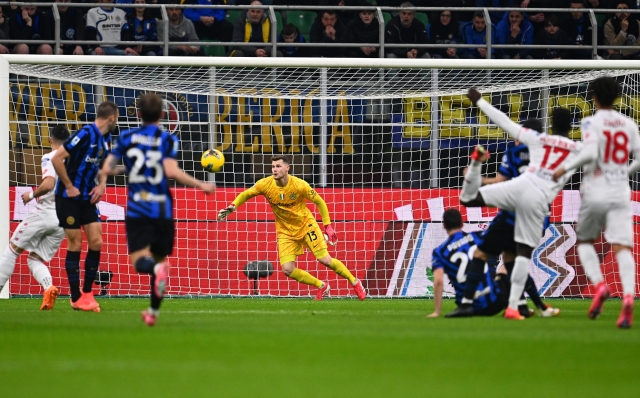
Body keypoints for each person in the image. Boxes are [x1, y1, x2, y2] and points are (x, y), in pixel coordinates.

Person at [453, 88, 580, 320]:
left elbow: (505, 123)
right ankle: (521, 306)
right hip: (539, 207)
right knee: (519, 256)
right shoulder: (579, 149)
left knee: (469, 201)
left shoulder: (535, 142)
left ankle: (518, 306)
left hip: (518, 194)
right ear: (572, 127)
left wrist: (480, 101)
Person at [100, 94, 215, 326]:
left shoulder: (127, 136)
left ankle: (155, 273)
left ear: (139, 114)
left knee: (141, 261)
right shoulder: (168, 139)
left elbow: (107, 168)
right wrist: (201, 184)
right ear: (162, 115)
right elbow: (171, 171)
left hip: (139, 209)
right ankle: (153, 311)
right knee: (161, 262)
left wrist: (126, 169)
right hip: (163, 208)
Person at [552, 77, 639, 329]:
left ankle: (600, 285)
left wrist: (564, 168)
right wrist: (624, 173)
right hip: (621, 191)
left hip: (595, 190)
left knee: (585, 242)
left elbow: (590, 152)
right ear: (616, 97)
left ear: (594, 97)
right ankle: (629, 297)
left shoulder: (591, 121)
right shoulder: (629, 124)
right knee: (622, 247)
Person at [217, 155, 367, 300]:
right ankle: (322, 286)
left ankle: (354, 281)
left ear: (287, 168)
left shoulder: (300, 185)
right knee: (287, 269)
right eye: (273, 166)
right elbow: (246, 194)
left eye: (278, 166)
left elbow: (320, 202)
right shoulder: (265, 184)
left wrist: (327, 226)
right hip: (285, 232)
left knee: (325, 260)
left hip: (306, 226)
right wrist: (232, 207)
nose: (274, 169)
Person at [51, 101, 119, 312]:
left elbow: (104, 164)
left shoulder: (106, 138)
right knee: (75, 244)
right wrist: (69, 186)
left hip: (88, 198)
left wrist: (102, 184)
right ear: (112, 118)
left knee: (96, 241)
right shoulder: (85, 134)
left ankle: (88, 293)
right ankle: (75, 296)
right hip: (68, 198)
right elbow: (57, 158)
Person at [0, 126, 70, 310]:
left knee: (13, 250)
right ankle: (49, 288)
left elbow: (48, 184)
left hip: (45, 212)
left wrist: (31, 195)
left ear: (50, 140)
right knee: (35, 259)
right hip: (63, 219)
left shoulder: (50, 157)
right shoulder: (75, 161)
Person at [427, 209, 511, 318]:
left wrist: (437, 312)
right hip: (496, 302)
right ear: (462, 223)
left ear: (444, 225)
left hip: (470, 308)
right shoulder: (478, 237)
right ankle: (515, 307)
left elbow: (438, 281)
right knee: (510, 265)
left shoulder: (439, 252)